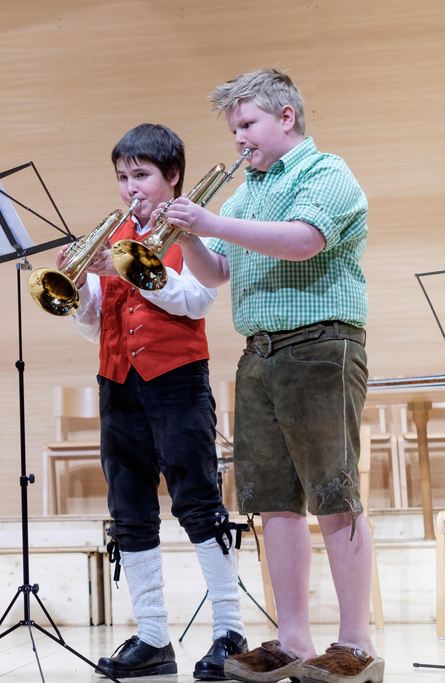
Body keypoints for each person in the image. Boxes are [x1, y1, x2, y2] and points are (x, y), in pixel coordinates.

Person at [168, 68, 383, 683]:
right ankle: (292, 640)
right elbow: (215, 273)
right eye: (233, 129)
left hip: (321, 346)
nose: (239, 138)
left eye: (248, 124)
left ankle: (355, 643)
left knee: (334, 493)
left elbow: (303, 241)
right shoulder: (245, 194)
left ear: (286, 117)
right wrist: (188, 235)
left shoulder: (326, 173)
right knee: (274, 504)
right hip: (259, 354)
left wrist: (209, 223)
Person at [63, 123, 247, 680]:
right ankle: (151, 636)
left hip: (176, 379)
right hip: (117, 381)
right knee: (129, 510)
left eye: (141, 175)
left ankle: (229, 630)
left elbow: (196, 301)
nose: (130, 188)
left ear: (172, 177)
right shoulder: (113, 234)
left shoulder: (192, 230)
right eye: (122, 177)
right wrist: (82, 288)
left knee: (197, 500)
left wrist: (136, 272)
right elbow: (94, 326)